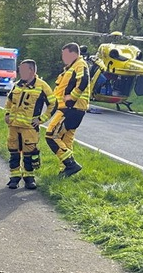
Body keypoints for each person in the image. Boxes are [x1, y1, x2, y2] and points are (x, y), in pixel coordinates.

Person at [4, 59, 57, 189]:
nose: (20, 72)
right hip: (14, 126)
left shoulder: (42, 86)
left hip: (30, 128)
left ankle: (29, 178)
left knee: (30, 154)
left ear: (32, 71)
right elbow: (9, 101)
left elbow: (53, 104)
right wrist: (7, 114)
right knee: (14, 153)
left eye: (23, 70)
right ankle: (14, 178)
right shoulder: (17, 85)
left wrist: (41, 119)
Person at [44, 42, 90, 177]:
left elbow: (84, 81)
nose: (62, 57)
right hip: (71, 109)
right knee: (65, 140)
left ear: (73, 53)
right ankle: (66, 170)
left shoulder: (80, 64)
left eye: (64, 54)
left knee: (51, 135)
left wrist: (72, 98)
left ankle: (71, 165)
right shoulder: (70, 68)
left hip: (70, 108)